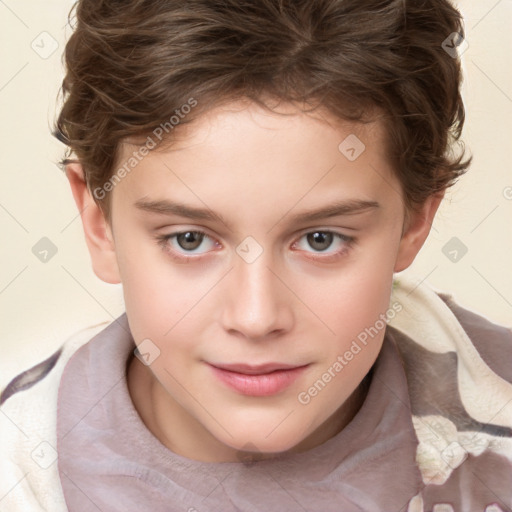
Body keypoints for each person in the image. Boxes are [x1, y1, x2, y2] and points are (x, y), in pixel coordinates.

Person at [1, 0, 511, 510]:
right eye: (189, 240)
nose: (256, 317)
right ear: (99, 222)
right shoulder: (20, 472)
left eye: (320, 240)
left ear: (414, 220)